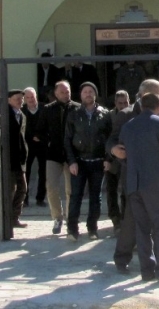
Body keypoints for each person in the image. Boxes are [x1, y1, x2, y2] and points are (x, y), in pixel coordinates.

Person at [120, 92, 159, 283]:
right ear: (158, 106)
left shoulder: (128, 126)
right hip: (155, 180)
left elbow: (123, 152)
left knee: (142, 228)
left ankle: (147, 270)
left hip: (134, 182)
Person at [109, 79, 159, 274]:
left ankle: (158, 262)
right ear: (141, 96)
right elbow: (111, 139)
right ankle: (122, 258)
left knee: (157, 220)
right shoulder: (125, 115)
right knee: (133, 219)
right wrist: (114, 150)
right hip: (132, 174)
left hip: (156, 176)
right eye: (155, 94)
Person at [64, 82, 112, 241]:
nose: (88, 94)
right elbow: (68, 140)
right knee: (76, 195)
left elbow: (110, 138)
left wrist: (108, 158)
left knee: (96, 196)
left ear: (95, 94)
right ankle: (72, 229)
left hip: (98, 161)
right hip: (79, 161)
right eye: (85, 92)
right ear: (81, 95)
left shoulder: (105, 114)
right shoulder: (74, 114)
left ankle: (92, 228)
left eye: (91, 91)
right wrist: (71, 161)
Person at [34, 81, 80, 235]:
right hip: (53, 154)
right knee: (51, 187)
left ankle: (69, 219)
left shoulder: (77, 108)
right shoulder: (48, 110)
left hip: (71, 155)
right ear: (56, 93)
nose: (66, 94)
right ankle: (57, 217)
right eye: (62, 92)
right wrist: (48, 142)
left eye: (68, 91)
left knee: (70, 189)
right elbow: (40, 131)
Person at [105, 90, 130, 230]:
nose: (123, 105)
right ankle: (115, 218)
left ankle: (125, 218)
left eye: (125, 102)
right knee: (111, 189)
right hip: (112, 158)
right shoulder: (109, 116)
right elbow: (107, 139)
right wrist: (107, 159)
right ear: (115, 103)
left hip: (126, 158)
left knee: (125, 190)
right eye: (120, 103)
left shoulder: (131, 114)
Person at [5, 90, 28, 228]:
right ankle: (8, 218)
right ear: (9, 100)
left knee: (22, 188)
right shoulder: (4, 114)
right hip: (9, 159)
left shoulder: (22, 115)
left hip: (20, 159)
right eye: (17, 99)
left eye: (21, 99)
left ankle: (14, 217)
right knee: (10, 190)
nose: (20, 101)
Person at [22, 87, 47, 207]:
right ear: (24, 99)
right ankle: (24, 199)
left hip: (42, 145)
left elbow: (49, 125)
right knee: (25, 172)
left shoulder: (44, 108)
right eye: (28, 97)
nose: (31, 99)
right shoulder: (21, 110)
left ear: (36, 96)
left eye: (32, 97)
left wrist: (41, 137)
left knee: (43, 172)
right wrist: (32, 136)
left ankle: (40, 199)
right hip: (28, 145)